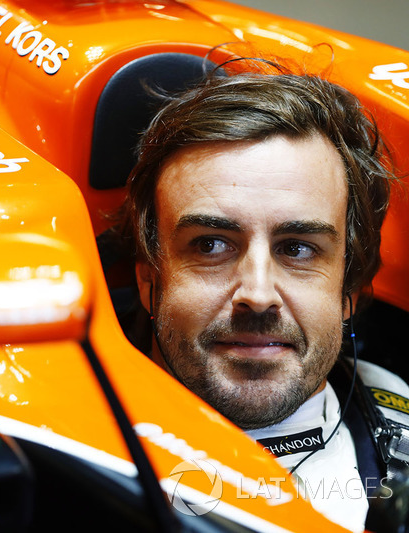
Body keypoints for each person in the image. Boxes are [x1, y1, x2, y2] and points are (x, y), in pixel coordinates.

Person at [117, 67, 408, 532]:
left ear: (349, 292)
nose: (256, 295)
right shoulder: (52, 453)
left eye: (296, 248)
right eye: (210, 244)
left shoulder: (400, 432)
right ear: (150, 280)